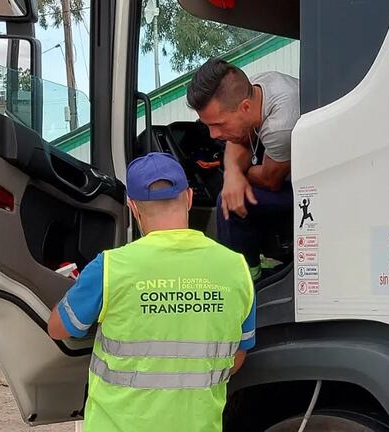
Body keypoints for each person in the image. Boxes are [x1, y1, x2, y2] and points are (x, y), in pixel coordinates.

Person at [47, 152, 256, 432]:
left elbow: (59, 329)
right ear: (190, 197)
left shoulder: (109, 267)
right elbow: (237, 358)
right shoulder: (236, 268)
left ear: (132, 207)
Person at [186, 58, 300, 280]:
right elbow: (239, 140)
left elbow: (269, 180)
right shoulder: (254, 89)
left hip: (323, 192)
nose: (213, 135)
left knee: (230, 200)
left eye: (219, 124)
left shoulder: (280, 126)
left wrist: (238, 176)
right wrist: (232, 173)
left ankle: (244, 279)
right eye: (208, 126)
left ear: (245, 108)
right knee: (232, 187)